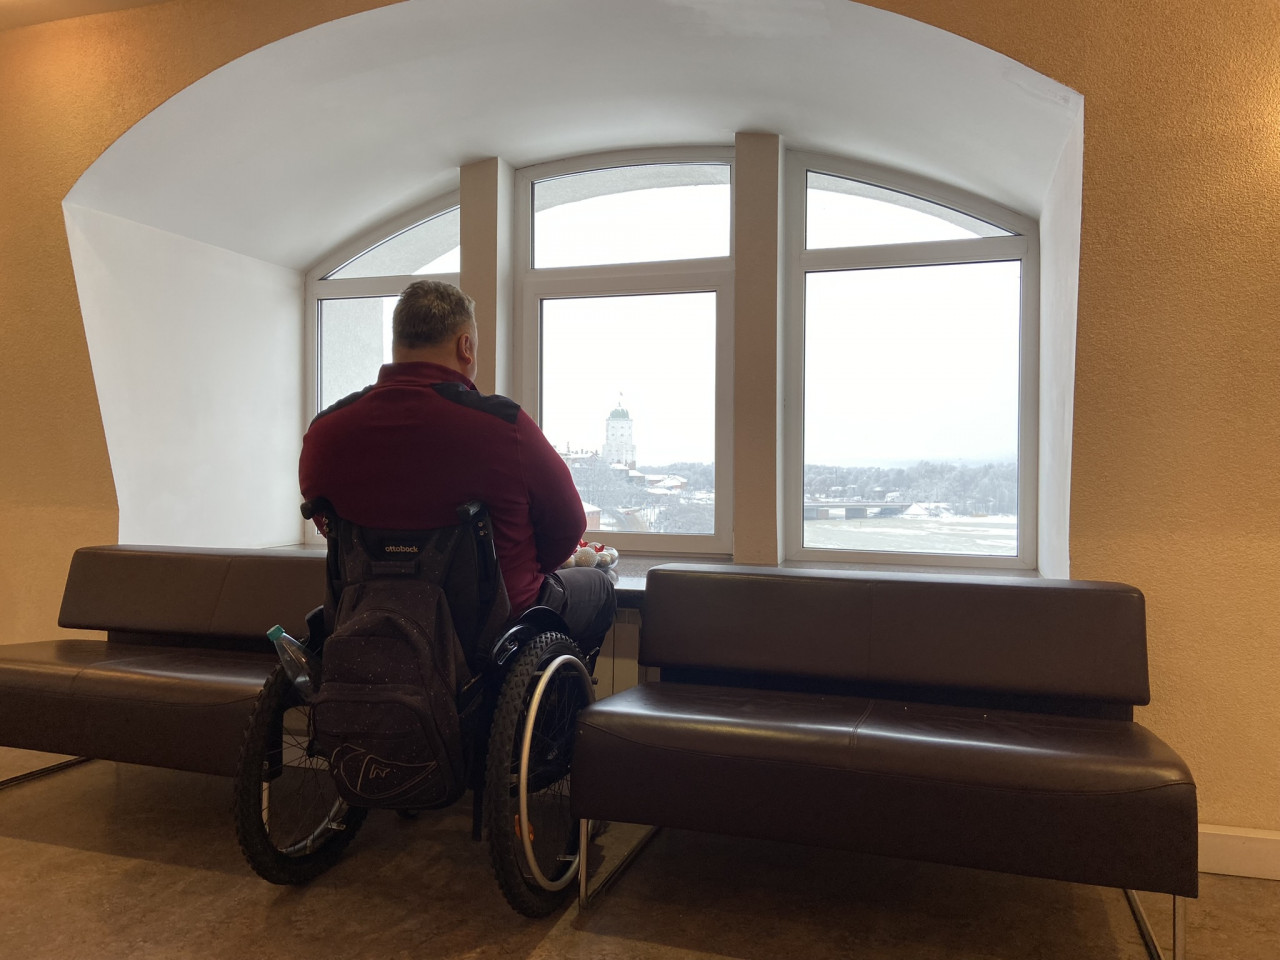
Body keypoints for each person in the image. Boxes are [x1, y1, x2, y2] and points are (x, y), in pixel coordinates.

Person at [299, 279, 615, 652]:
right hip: (493, 629)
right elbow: (569, 525)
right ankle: (566, 689)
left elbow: (328, 525)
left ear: (398, 344)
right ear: (465, 346)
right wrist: (523, 570)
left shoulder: (325, 431)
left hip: (365, 616)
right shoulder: (504, 426)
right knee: (600, 585)